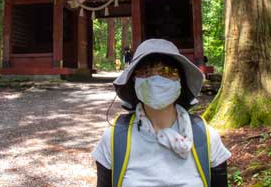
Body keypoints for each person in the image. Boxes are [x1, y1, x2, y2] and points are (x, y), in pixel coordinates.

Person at [92, 39, 230, 187]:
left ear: (181, 81)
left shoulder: (206, 138)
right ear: (134, 81)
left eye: (168, 71)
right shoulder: (114, 139)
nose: (156, 78)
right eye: (146, 72)